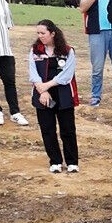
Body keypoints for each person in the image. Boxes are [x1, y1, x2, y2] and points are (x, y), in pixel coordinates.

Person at [27, 20, 80, 173]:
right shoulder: (35, 51)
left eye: (43, 33)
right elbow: (33, 73)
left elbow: (67, 75)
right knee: (47, 129)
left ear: (53, 33)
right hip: (42, 94)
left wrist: (47, 85)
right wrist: (42, 91)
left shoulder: (67, 51)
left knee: (67, 129)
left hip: (62, 94)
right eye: (38, 33)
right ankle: (55, 161)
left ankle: (72, 162)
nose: (40, 36)